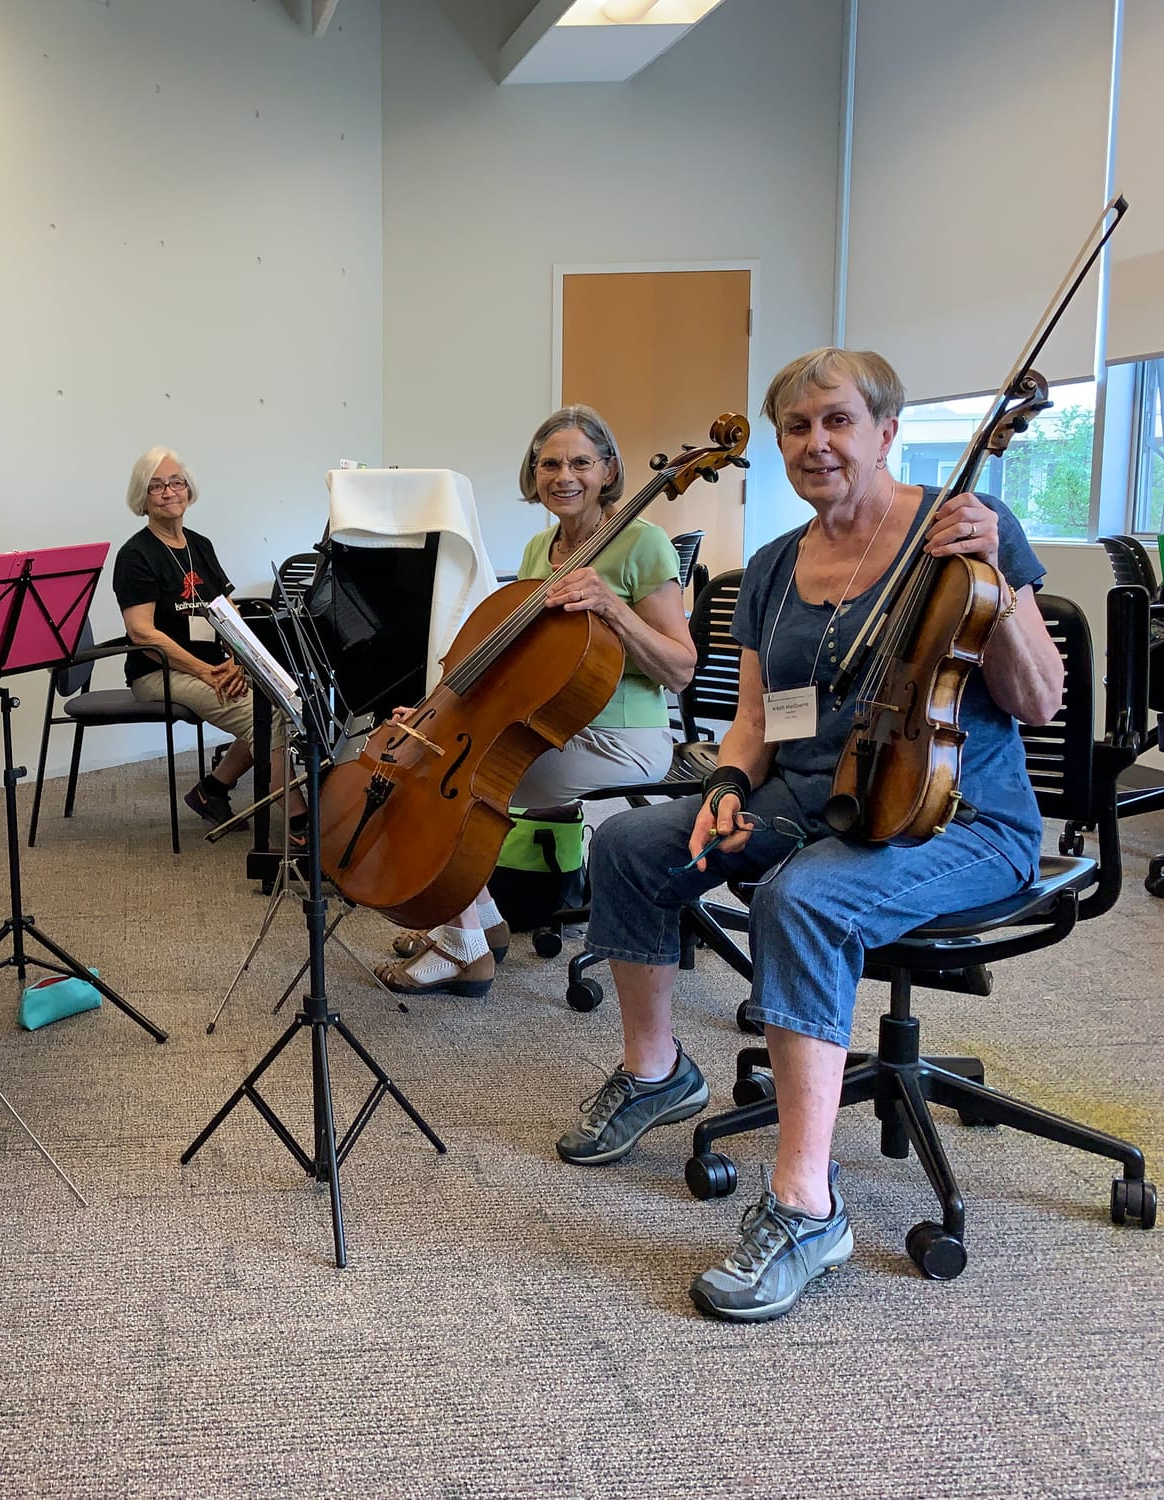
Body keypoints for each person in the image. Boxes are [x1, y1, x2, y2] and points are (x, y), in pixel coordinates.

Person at [561, 348, 1065, 1323]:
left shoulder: (966, 532)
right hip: (802, 796)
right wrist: (724, 785)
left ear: (884, 431)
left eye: (836, 421)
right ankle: (654, 1073)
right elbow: (756, 719)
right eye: (795, 427)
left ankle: (804, 1206)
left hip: (952, 816)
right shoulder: (771, 569)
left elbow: (1038, 700)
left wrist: (994, 579)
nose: (814, 442)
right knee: (629, 846)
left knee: (806, 899)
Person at [374, 406, 696, 997]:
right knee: (419, 765)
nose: (563, 475)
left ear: (608, 471)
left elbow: (680, 668)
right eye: (549, 463)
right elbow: (513, 665)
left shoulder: (642, 543)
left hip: (622, 738)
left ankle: (466, 948)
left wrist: (612, 607)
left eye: (580, 462)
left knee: (460, 790)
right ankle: (478, 924)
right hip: (546, 726)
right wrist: (435, 713)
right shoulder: (538, 549)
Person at [112, 446, 301, 840]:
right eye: (156, 486)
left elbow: (228, 615)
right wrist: (206, 671)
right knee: (264, 719)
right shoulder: (136, 555)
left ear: (189, 490)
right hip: (158, 671)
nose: (169, 492)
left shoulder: (200, 545)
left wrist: (238, 663)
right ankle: (303, 826)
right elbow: (142, 634)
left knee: (282, 702)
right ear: (141, 499)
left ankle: (211, 791)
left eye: (176, 482)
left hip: (214, 667)